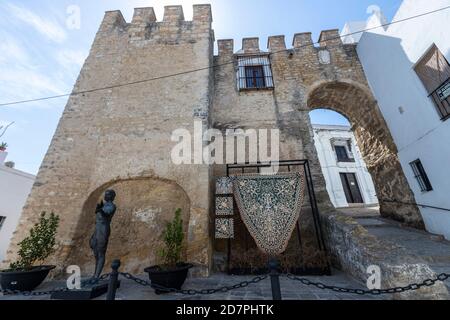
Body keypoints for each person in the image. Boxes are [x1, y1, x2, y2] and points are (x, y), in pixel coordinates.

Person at [89, 189, 117, 279]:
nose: (105, 196)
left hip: (103, 230)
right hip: (97, 229)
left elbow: (106, 214)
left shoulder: (112, 206)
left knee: (101, 253)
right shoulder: (104, 205)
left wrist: (100, 210)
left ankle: (96, 276)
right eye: (105, 194)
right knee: (96, 252)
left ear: (112, 197)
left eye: (108, 194)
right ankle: (95, 274)